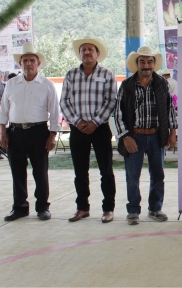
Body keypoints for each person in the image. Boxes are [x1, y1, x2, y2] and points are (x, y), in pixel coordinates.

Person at [114, 46, 177, 226]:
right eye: (142, 61)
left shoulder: (162, 83)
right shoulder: (127, 85)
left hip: (157, 136)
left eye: (150, 62)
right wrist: (126, 136)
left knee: (158, 174)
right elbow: (117, 113)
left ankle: (155, 208)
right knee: (132, 175)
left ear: (154, 64)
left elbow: (169, 109)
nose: (146, 65)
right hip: (135, 136)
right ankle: (133, 210)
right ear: (137, 64)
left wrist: (172, 133)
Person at [0, 43, 60, 221]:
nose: (28, 64)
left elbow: (54, 112)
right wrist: (2, 132)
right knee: (17, 172)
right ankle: (20, 207)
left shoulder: (47, 85)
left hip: (39, 132)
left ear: (38, 63)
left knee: (40, 171)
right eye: (25, 61)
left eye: (32, 60)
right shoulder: (11, 84)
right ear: (20, 64)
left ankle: (42, 207)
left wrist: (53, 135)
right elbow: (3, 110)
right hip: (15, 132)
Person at [60, 36, 117, 223]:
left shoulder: (107, 74)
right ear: (80, 54)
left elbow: (111, 101)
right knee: (80, 171)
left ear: (97, 54)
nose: (86, 52)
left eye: (90, 50)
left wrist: (94, 122)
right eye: (83, 50)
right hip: (78, 130)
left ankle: (108, 208)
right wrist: (77, 122)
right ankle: (82, 207)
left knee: (106, 170)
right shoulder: (70, 75)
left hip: (100, 129)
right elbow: (64, 102)